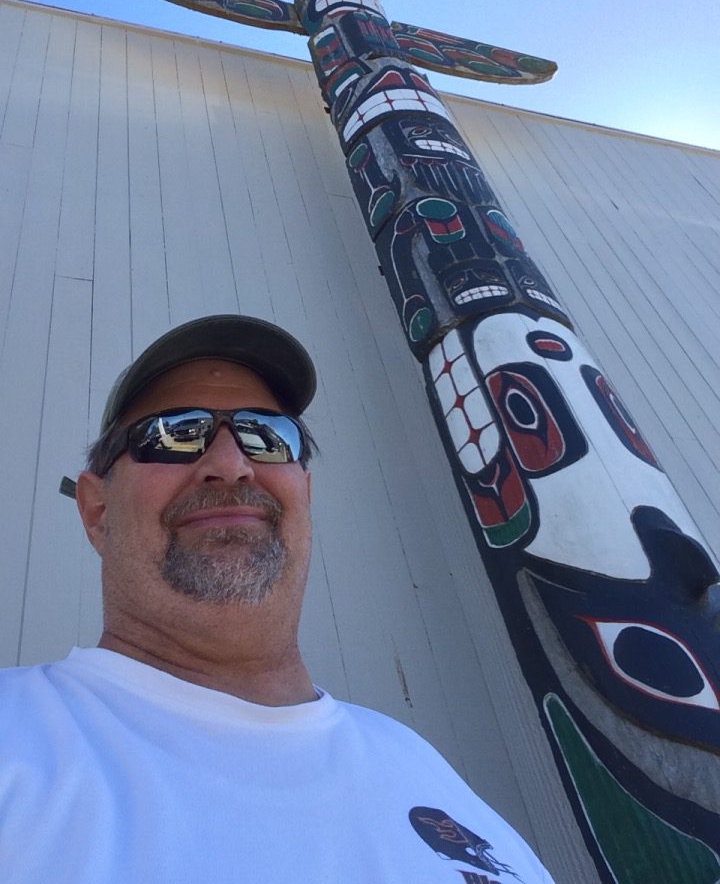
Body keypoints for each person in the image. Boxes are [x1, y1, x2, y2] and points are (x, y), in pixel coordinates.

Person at [0, 315, 555, 883]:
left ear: (302, 494)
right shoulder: (15, 737)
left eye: (268, 436)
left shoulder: (417, 765)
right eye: (175, 432)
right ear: (97, 511)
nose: (231, 465)